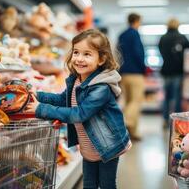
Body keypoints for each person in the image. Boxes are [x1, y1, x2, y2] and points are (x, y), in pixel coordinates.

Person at [25, 29, 131, 189]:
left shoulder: (100, 88)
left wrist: (41, 109)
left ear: (101, 59)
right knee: (88, 184)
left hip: (108, 146)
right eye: (76, 52)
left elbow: (79, 114)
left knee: (106, 184)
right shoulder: (76, 80)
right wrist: (37, 95)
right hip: (88, 147)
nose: (79, 59)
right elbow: (62, 99)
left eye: (87, 54)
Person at [158, 18, 189, 129]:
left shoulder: (162, 38)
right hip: (178, 71)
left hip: (166, 70)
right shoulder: (181, 37)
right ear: (177, 25)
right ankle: (177, 121)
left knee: (167, 97)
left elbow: (160, 50)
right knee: (177, 97)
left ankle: (164, 120)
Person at [117, 13, 146, 141]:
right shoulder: (135, 34)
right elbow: (138, 53)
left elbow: (118, 54)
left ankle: (132, 133)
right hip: (135, 73)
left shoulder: (122, 35)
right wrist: (144, 68)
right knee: (136, 101)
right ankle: (126, 121)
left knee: (129, 101)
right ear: (136, 21)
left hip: (124, 73)